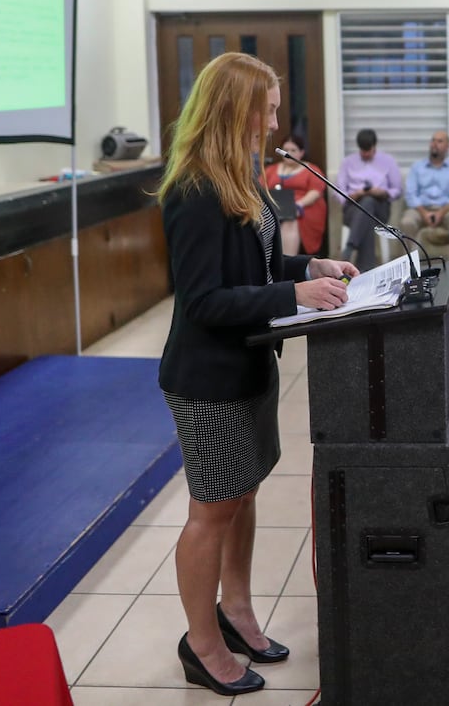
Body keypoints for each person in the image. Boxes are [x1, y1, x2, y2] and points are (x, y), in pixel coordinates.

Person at [157, 52, 358, 696]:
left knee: (242, 496)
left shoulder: (244, 173)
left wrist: (310, 270)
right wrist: (291, 299)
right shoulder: (194, 189)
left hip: (250, 363)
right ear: (237, 108)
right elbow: (204, 301)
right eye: (267, 107)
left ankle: (236, 612)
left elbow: (260, 266)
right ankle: (202, 642)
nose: (275, 121)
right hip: (208, 375)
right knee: (211, 510)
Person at [337, 128, 403, 272]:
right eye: (363, 151)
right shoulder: (347, 162)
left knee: (369, 202)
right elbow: (340, 192)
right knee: (366, 209)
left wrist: (382, 192)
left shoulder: (388, 161)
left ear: (375, 146)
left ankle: (349, 248)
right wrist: (355, 194)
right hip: (353, 208)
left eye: (369, 150)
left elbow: (397, 190)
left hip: (380, 207)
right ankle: (366, 269)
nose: (366, 154)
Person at [263, 133, 328, 256]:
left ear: (301, 152)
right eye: (286, 150)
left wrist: (298, 205)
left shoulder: (311, 169)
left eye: (293, 150)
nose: (289, 153)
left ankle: (286, 262)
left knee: (290, 218)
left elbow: (315, 191)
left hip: (303, 208)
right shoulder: (271, 170)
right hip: (275, 207)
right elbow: (261, 189)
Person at [398, 130, 449, 247]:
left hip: (446, 209)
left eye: (440, 141)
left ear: (447, 146)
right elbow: (411, 194)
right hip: (420, 209)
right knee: (407, 222)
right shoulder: (417, 167)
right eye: (433, 141)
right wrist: (424, 213)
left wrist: (441, 212)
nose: (435, 144)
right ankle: (410, 264)